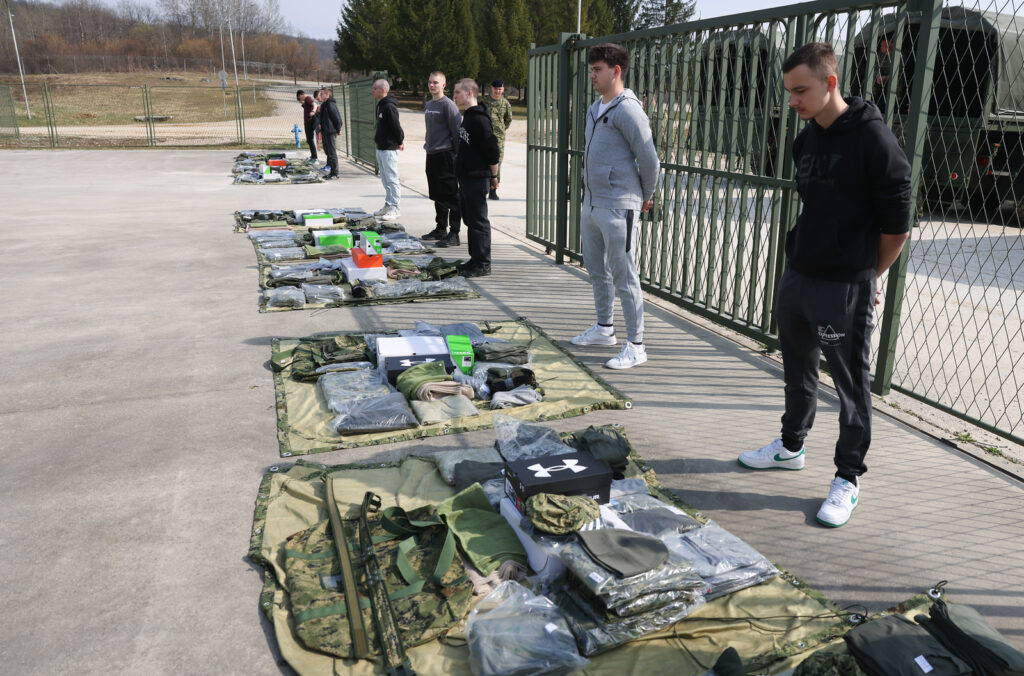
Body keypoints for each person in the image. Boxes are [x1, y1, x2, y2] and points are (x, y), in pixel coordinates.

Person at [736, 42, 911, 528]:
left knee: (851, 386)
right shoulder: (807, 138)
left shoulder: (874, 140)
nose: (792, 101)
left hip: (844, 286)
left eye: (800, 91)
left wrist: (868, 275)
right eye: (789, 91)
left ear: (830, 82)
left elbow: (898, 227)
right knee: (797, 371)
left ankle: (848, 478)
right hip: (799, 276)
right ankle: (790, 447)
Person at [570, 43, 659, 371]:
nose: (592, 76)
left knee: (625, 276)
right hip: (593, 203)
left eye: (597, 70)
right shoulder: (596, 108)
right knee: (597, 270)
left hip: (620, 205)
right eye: (591, 70)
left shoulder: (629, 110)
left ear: (616, 71)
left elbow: (649, 159)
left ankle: (636, 345)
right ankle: (604, 329)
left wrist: (646, 195)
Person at [451, 78, 500, 277]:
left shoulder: (479, 119)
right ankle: (475, 259)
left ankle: (483, 264)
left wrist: (494, 176)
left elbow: (492, 150)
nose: (454, 96)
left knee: (478, 221)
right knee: (470, 220)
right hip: (466, 176)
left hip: (477, 177)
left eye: (457, 92)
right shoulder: (469, 116)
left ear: (470, 93)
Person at [422, 71, 462, 247]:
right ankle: (440, 228)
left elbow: (457, 132)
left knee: (451, 196)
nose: (432, 85)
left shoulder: (448, 105)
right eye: (430, 82)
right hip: (432, 155)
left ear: (444, 85)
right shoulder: (429, 104)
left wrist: (456, 156)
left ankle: (454, 233)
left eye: (436, 83)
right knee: (438, 195)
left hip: (446, 155)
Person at [371, 79, 404, 221]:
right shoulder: (381, 105)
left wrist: (400, 141)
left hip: (389, 148)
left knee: (392, 179)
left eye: (375, 88)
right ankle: (388, 204)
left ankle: (395, 208)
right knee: (385, 180)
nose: (372, 91)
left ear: (382, 90)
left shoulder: (389, 107)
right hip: (381, 147)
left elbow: (396, 126)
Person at [484, 79, 513, 200]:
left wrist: (500, 130)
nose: (498, 91)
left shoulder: (505, 103)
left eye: (500, 89)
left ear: (503, 89)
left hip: (498, 139)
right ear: (492, 88)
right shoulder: (484, 102)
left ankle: (493, 189)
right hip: (484, 137)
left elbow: (508, 120)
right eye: (496, 89)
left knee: (497, 163)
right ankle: (484, 188)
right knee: (484, 162)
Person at [316, 87, 342, 180]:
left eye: (322, 94)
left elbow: (337, 118)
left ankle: (334, 172)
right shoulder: (324, 104)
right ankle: (331, 170)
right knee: (327, 151)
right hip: (325, 131)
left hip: (330, 131)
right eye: (320, 94)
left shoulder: (331, 104)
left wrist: (338, 129)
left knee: (331, 152)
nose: (320, 95)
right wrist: (320, 124)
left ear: (327, 94)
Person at [296, 89, 319, 163]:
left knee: (310, 140)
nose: (300, 99)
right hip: (307, 122)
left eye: (299, 98)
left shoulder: (308, 98)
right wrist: (302, 103)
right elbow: (307, 108)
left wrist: (313, 111)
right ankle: (313, 156)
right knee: (309, 140)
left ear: (301, 95)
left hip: (310, 122)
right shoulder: (306, 101)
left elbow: (315, 105)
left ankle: (315, 157)